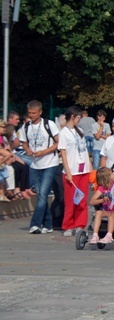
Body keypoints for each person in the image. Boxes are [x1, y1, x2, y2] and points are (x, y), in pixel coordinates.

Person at [18, 100, 60, 234]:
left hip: (50, 163)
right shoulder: (26, 127)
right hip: (35, 164)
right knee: (41, 195)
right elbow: (23, 142)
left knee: (42, 194)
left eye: (34, 113)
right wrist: (28, 150)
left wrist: (44, 152)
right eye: (29, 113)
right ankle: (48, 223)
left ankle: (35, 223)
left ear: (40, 112)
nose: (31, 115)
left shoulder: (49, 124)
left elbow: (58, 142)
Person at [59, 106, 93, 237]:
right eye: (78, 117)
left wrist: (90, 168)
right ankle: (68, 225)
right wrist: (68, 172)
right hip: (72, 170)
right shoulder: (64, 133)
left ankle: (80, 224)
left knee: (82, 199)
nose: (80, 119)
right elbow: (63, 153)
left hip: (83, 169)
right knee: (70, 200)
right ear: (72, 117)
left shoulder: (80, 131)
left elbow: (84, 150)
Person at [88, 167, 114, 245]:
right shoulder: (101, 189)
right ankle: (95, 235)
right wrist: (102, 200)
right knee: (98, 212)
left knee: (111, 214)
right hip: (107, 209)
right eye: (111, 174)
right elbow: (92, 201)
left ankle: (109, 235)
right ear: (107, 177)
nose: (113, 174)